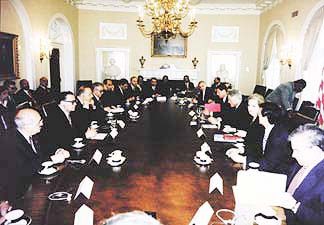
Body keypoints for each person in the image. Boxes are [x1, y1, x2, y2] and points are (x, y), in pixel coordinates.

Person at [0, 108, 69, 200]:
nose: (42, 123)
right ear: (27, 125)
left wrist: (58, 151)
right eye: (39, 121)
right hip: (21, 192)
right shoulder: (9, 142)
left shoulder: (33, 133)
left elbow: (45, 150)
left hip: (38, 181)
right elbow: (24, 169)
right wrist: (52, 159)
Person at [274, 124, 324, 225]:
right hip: (279, 213)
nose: (293, 155)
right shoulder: (302, 162)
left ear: (315, 150)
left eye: (296, 150)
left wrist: (294, 206)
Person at [228, 102, 292, 174]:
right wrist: (241, 150)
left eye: (259, 115)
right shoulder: (264, 128)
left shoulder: (279, 136)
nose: (258, 117)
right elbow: (256, 149)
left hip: (276, 173)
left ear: (267, 116)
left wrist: (243, 159)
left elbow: (269, 163)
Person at [226, 94, 265, 163]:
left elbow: (257, 147)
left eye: (253, 106)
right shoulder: (251, 117)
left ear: (260, 108)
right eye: (249, 105)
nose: (250, 108)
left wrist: (241, 150)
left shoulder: (261, 123)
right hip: (246, 150)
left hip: (253, 159)